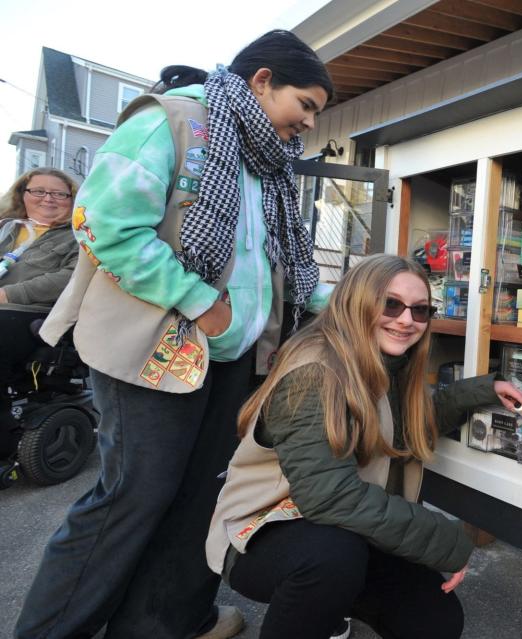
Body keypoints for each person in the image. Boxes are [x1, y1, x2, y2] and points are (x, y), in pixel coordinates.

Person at [16, 30, 335, 639]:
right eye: (307, 105)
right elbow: (104, 225)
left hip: (234, 359)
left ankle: (165, 626)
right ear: (262, 81)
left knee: (199, 502)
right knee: (131, 499)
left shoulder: (263, 165)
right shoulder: (171, 121)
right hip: (152, 352)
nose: (310, 124)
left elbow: (272, 267)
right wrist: (197, 300)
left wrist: (345, 303)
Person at [205, 254, 522, 639]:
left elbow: (412, 425)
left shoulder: (386, 365)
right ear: (357, 300)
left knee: (434, 620)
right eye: (390, 304)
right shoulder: (315, 371)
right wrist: (444, 539)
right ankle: (322, 607)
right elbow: (329, 496)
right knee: (331, 559)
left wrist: (483, 390)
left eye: (420, 310)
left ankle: (331, 606)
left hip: (341, 531)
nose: (406, 319)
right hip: (262, 532)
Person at [0, 168, 78, 381]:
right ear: (22, 194)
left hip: (31, 310)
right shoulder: (6, 227)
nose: (48, 199)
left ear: (73, 199)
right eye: (38, 191)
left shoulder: (80, 234)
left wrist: (8, 294)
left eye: (59, 194)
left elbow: (72, 277)